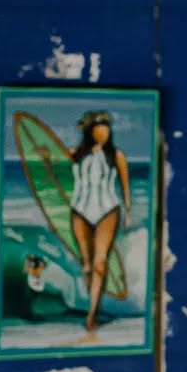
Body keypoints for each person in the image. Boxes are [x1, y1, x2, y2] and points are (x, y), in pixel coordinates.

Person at [69, 110, 131, 333]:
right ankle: (93, 303)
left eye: (106, 129)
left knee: (100, 263)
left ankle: (91, 314)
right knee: (87, 264)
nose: (104, 133)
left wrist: (129, 211)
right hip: (79, 209)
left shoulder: (116, 155)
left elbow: (124, 185)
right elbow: (50, 172)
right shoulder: (76, 154)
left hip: (108, 209)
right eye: (99, 129)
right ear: (90, 131)